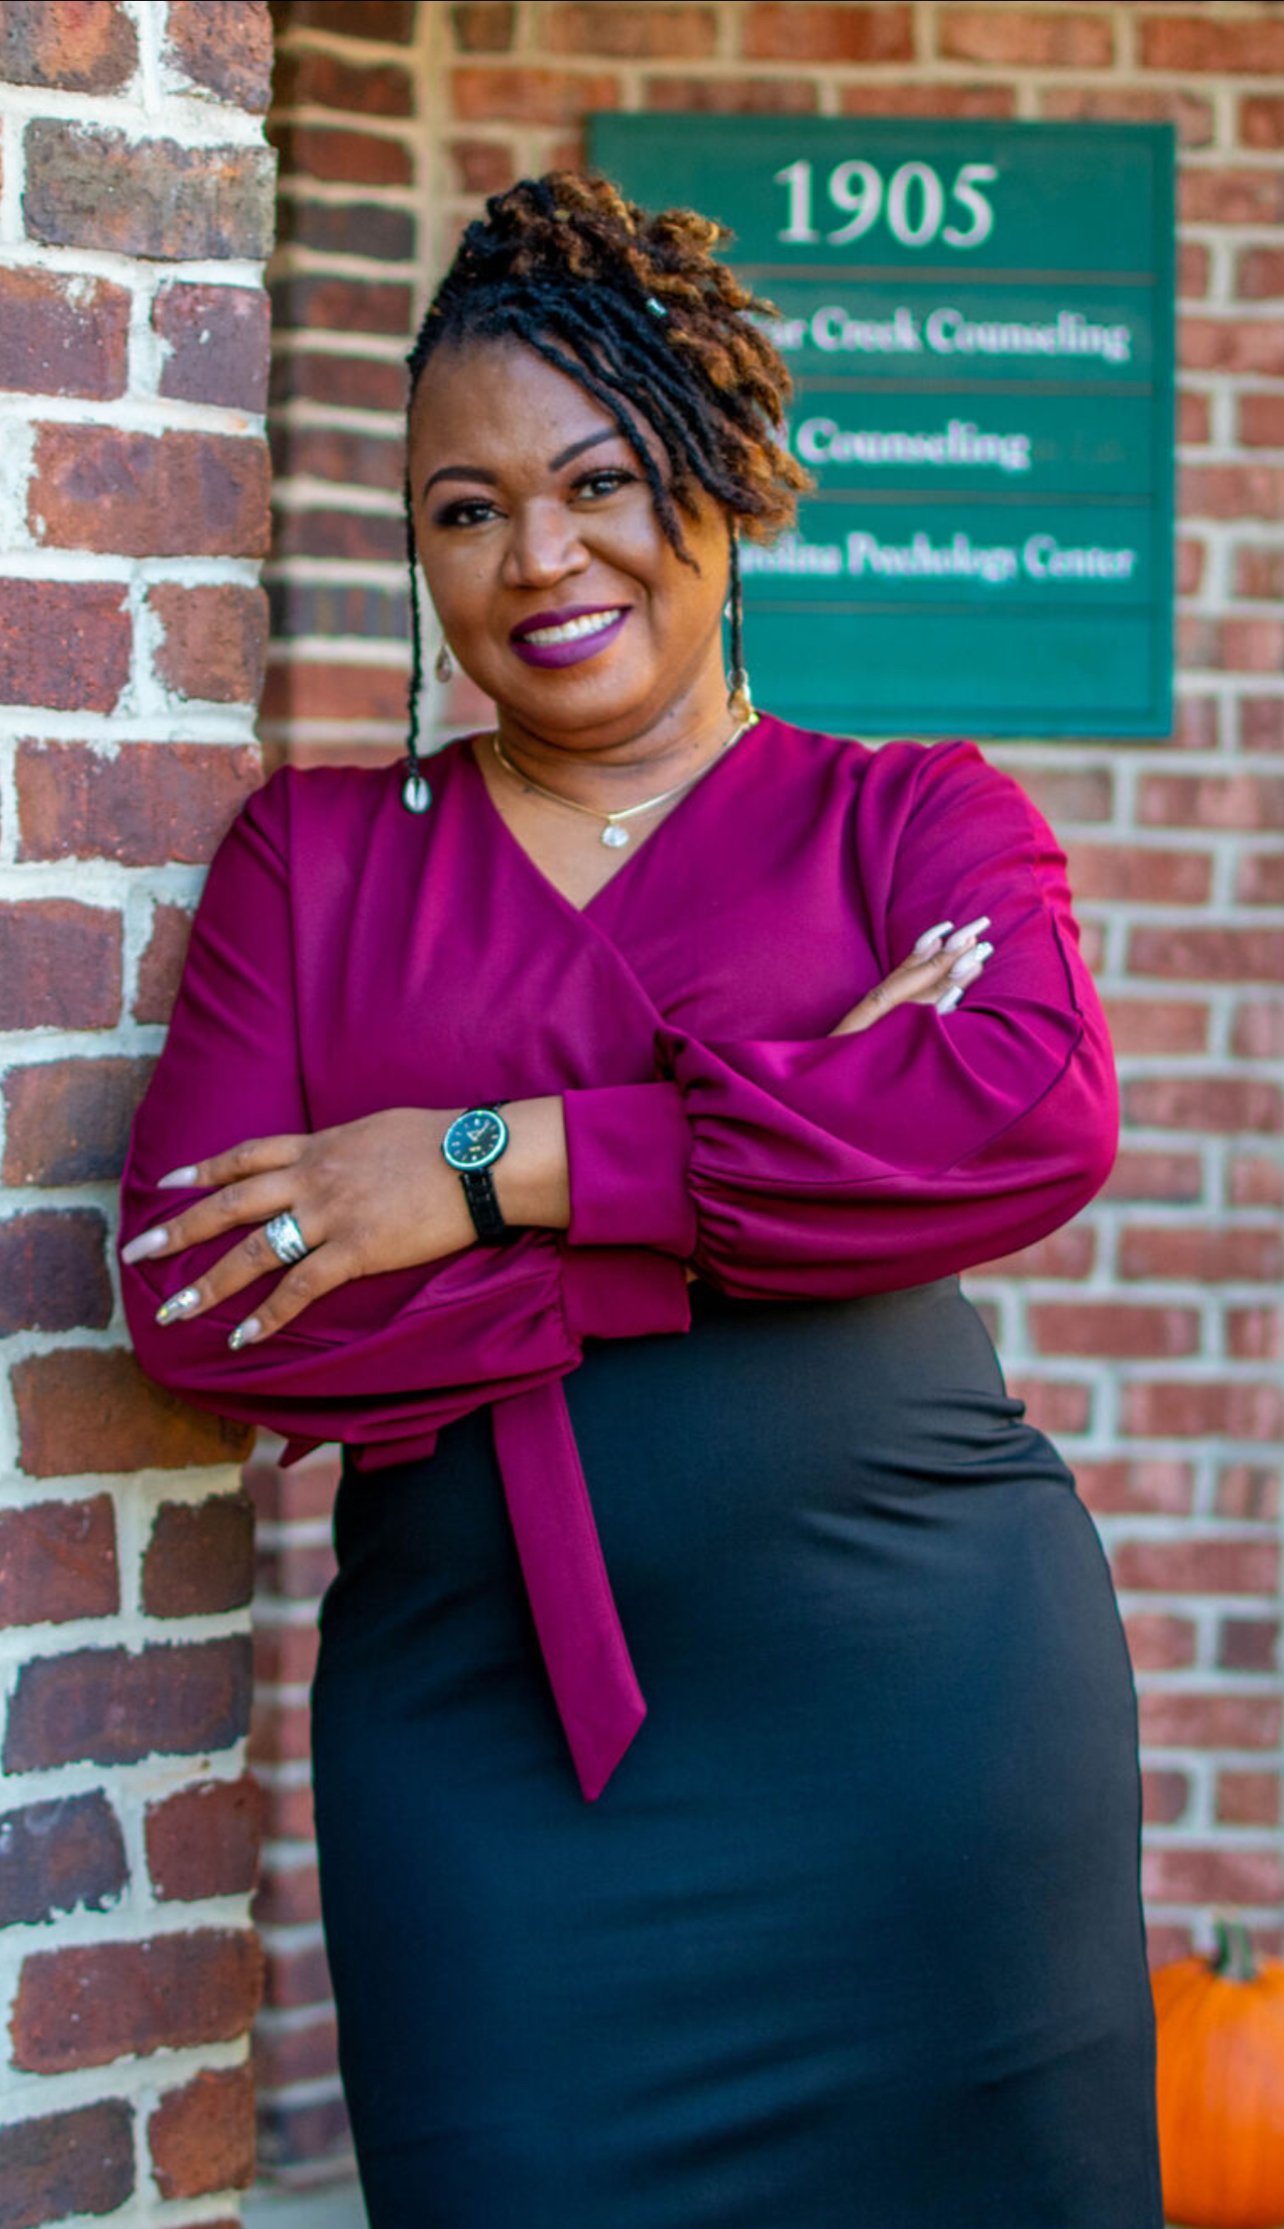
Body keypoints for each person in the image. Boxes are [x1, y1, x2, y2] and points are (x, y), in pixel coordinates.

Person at [119, 172, 1163, 2229]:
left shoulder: (911, 818)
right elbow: (205, 1301)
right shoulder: (316, 864)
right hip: (492, 1759)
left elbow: (1022, 1115)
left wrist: (479, 1169)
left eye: (599, 478)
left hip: (925, 1721)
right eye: (464, 508)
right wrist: (779, 1164)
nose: (539, 554)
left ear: (719, 471)